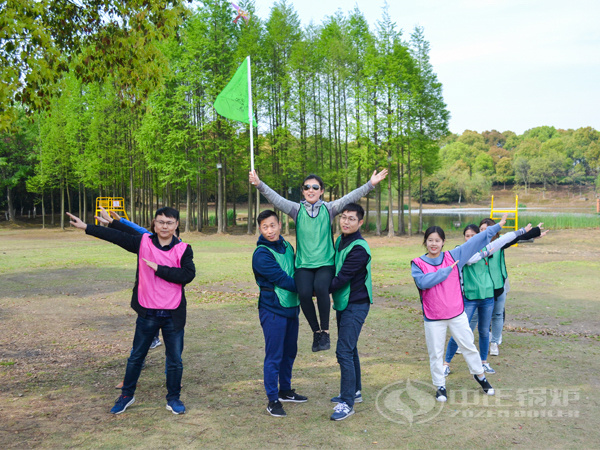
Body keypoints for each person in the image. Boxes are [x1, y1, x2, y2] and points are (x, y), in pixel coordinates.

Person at [66, 207, 195, 415]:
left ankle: (173, 398)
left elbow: (188, 275)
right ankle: (127, 395)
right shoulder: (143, 242)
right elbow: (115, 237)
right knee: (136, 357)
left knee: (175, 360)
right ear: (154, 224)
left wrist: (159, 269)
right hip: (148, 313)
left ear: (176, 225)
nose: (164, 226)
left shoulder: (184, 249)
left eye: (169, 222)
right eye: (161, 222)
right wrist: (86, 227)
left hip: (173, 314)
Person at [249, 169, 388, 353]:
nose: (311, 190)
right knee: (304, 292)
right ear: (303, 191)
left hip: (325, 264)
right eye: (307, 187)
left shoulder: (329, 209)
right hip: (304, 265)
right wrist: (259, 184)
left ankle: (325, 331)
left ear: (321, 191)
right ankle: (316, 332)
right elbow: (276, 199)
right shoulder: (296, 210)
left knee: (322, 288)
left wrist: (370, 184)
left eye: (315, 187)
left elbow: (350, 197)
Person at [411, 214, 507, 402]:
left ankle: (480, 376)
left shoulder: (453, 256)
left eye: (437, 240)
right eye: (430, 240)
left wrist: (496, 228)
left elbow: (476, 241)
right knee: (436, 353)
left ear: (443, 242)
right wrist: (445, 272)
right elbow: (423, 282)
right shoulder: (418, 263)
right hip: (433, 317)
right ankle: (440, 386)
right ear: (425, 242)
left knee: (468, 346)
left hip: (456, 314)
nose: (433, 244)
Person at [442, 222, 532, 377]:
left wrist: (522, 231)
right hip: (469, 298)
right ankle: (446, 364)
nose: (470, 238)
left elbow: (503, 240)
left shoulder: (487, 248)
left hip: (487, 297)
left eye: (473, 235)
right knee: (460, 331)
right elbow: (467, 260)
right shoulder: (460, 251)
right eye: (467, 236)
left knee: (484, 331)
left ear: (479, 236)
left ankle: (483, 362)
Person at [252, 210, 308, 417]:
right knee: (274, 355)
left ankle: (285, 390)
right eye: (265, 227)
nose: (270, 230)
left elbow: (297, 270)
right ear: (260, 229)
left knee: (289, 352)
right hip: (273, 309)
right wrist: (308, 289)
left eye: (272, 225)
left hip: (292, 307)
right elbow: (282, 279)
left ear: (280, 225)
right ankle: (273, 400)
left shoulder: (287, 246)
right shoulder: (261, 254)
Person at [477, 219, 549, 356]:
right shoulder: (475, 245)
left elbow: (517, 237)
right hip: (483, 286)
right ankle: (484, 338)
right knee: (481, 314)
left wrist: (535, 232)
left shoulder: (499, 243)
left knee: (498, 313)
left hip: (499, 284)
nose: (484, 232)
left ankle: (495, 341)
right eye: (481, 229)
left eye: (487, 229)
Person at [328, 203, 372, 421]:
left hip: (356, 304)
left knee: (343, 351)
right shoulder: (341, 241)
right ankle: (354, 391)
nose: (345, 222)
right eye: (343, 217)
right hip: (344, 303)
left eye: (351, 218)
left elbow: (341, 278)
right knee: (350, 348)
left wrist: (313, 291)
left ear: (360, 222)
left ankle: (347, 403)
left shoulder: (359, 248)